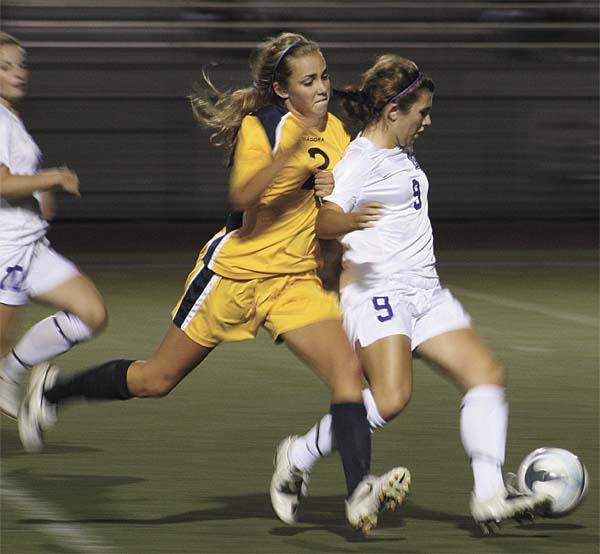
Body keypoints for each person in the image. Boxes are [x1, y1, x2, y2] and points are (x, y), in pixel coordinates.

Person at [17, 33, 409, 533]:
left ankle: (359, 491)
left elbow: (324, 208)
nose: (322, 88)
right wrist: (293, 160)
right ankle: (53, 392)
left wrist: (333, 207)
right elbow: (244, 194)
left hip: (291, 280)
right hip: (233, 275)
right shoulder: (263, 126)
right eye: (309, 81)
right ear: (283, 91)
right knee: (157, 379)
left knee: (346, 373)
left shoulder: (335, 132)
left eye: (325, 77)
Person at [270, 54, 551, 534]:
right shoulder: (360, 160)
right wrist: (350, 222)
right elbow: (325, 219)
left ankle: (488, 497)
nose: (427, 119)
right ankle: (298, 453)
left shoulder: (400, 152)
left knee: (486, 374)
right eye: (421, 111)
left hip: (425, 290)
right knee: (392, 398)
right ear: (393, 112)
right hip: (378, 291)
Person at [0, 33, 107, 421]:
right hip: (6, 252)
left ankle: (9, 372)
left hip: (31, 247)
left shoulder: (10, 116)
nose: (18, 73)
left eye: (21, 64)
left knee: (90, 313)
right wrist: (54, 179)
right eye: (5, 66)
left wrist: (38, 190)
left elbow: (15, 178)